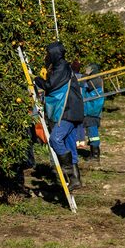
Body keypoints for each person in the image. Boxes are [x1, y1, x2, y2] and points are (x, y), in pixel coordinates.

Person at [34, 41, 84, 191]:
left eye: (48, 54)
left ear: (54, 54)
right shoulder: (61, 67)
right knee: (69, 144)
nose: (46, 57)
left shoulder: (61, 67)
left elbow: (50, 86)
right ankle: (75, 179)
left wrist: (37, 80)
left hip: (67, 111)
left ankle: (67, 170)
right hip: (73, 111)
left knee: (55, 139)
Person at [82, 63, 104, 161]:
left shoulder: (95, 80)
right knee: (91, 133)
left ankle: (95, 155)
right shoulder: (98, 79)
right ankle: (93, 153)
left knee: (93, 133)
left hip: (92, 111)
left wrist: (86, 75)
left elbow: (81, 82)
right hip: (93, 110)